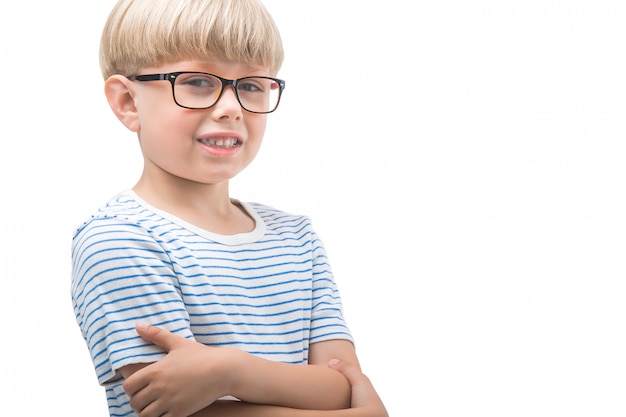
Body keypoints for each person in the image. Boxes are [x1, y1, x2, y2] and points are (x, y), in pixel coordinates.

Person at [70, 1, 388, 416]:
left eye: (253, 85)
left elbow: (345, 386)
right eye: (199, 81)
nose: (232, 107)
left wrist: (228, 372)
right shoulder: (119, 239)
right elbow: (166, 407)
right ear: (128, 101)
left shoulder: (296, 237)